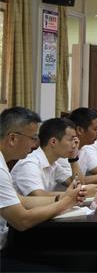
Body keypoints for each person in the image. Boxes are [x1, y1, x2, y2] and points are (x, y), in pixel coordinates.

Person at [0, 107, 84, 252]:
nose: (34, 144)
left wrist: (64, 197)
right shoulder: (13, 166)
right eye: (32, 138)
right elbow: (22, 220)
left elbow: (22, 200)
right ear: (13, 139)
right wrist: (65, 202)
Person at [12, 118, 93, 196]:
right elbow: (38, 196)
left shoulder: (53, 164)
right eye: (71, 140)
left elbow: (78, 184)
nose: (75, 144)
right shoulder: (29, 163)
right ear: (53, 142)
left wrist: (73, 158)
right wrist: (75, 193)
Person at [69, 107, 97, 183]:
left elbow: (80, 182)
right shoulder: (63, 151)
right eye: (95, 129)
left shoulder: (85, 148)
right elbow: (75, 183)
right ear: (80, 130)